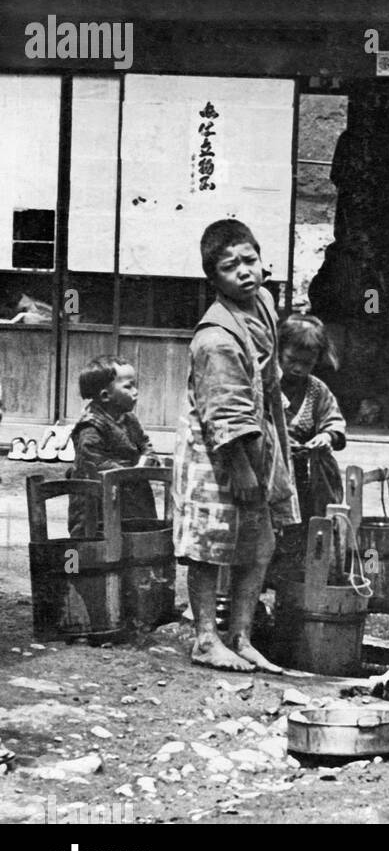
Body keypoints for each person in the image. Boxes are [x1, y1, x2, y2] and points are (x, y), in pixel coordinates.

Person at [173, 219, 299, 673]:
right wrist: (242, 471)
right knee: (211, 545)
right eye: (231, 267)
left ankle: (241, 635)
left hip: (259, 437)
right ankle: (206, 637)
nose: (245, 272)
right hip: (218, 449)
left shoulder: (263, 302)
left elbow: (264, 376)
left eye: (250, 260)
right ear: (214, 279)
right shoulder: (214, 339)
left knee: (259, 541)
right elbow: (223, 413)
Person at [67, 357, 158, 539]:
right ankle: (74, 568)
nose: (136, 392)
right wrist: (132, 473)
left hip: (132, 494)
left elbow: (145, 445)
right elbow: (95, 463)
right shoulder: (91, 425)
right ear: (105, 395)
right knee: (90, 547)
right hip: (97, 501)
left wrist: (146, 460)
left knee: (135, 541)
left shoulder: (129, 419)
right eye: (128, 387)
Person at [279, 314, 347, 524]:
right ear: (279, 352)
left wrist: (327, 436)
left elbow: (333, 420)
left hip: (304, 476)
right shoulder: (266, 384)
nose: (298, 368)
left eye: (306, 363)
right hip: (272, 471)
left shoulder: (317, 389)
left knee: (307, 523)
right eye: (292, 360)